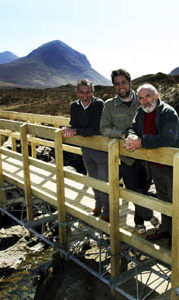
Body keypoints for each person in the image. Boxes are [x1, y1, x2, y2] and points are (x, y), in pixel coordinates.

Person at [100, 69, 159, 234]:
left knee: (144, 189)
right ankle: (149, 216)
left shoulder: (142, 99)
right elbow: (103, 129)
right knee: (133, 190)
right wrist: (121, 134)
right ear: (114, 86)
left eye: (123, 82)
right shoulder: (109, 106)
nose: (121, 86)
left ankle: (139, 221)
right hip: (126, 157)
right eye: (117, 84)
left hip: (146, 154)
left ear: (130, 83)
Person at [124, 83, 179, 246]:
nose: (144, 101)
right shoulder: (141, 113)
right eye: (141, 98)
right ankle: (165, 229)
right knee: (163, 199)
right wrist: (130, 138)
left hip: (172, 166)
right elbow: (132, 128)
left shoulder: (168, 113)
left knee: (175, 201)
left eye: (148, 97)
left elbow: (168, 138)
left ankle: (176, 237)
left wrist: (141, 142)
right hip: (155, 165)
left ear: (157, 96)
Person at [62, 79, 109, 222]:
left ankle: (107, 209)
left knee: (104, 181)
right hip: (86, 149)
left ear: (92, 92)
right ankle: (98, 205)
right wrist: (68, 129)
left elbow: (96, 129)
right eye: (81, 92)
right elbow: (74, 125)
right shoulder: (74, 107)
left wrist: (75, 130)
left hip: (101, 149)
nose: (85, 95)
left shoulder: (99, 104)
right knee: (93, 179)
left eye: (88, 92)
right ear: (77, 93)